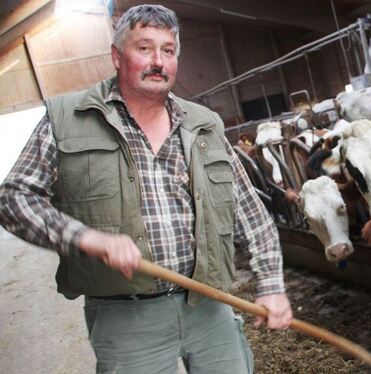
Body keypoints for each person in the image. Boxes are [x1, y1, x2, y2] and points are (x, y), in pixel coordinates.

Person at [0, 4, 292, 373]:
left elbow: (252, 212)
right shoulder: (68, 118)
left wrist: (271, 284)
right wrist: (86, 238)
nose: (159, 61)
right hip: (126, 317)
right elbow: (13, 198)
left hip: (210, 303)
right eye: (144, 48)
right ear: (117, 56)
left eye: (168, 50)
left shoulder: (204, 124)